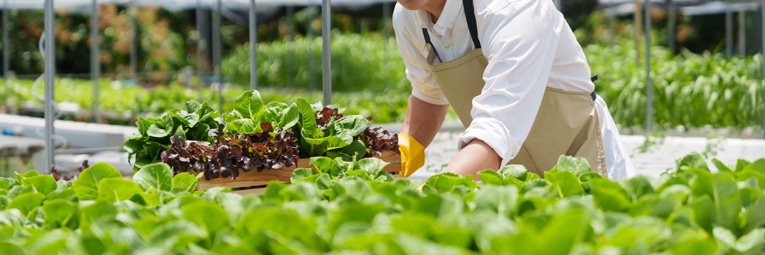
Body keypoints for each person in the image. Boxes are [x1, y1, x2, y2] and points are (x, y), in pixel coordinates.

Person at [394, 0, 635, 180]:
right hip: (509, 176)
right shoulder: (408, 17)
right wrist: (392, 159)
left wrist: (430, 196)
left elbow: (495, 131)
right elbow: (428, 95)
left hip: (584, 165)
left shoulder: (512, 7)